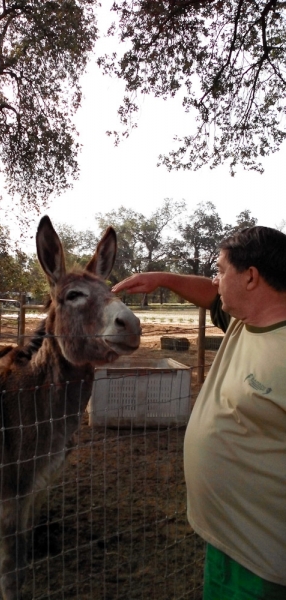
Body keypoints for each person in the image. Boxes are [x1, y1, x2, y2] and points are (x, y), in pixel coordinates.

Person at [112, 226, 286, 600]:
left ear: (251, 277)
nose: (214, 280)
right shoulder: (243, 322)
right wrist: (157, 278)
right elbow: (209, 294)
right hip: (224, 542)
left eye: (221, 270)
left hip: (264, 565)